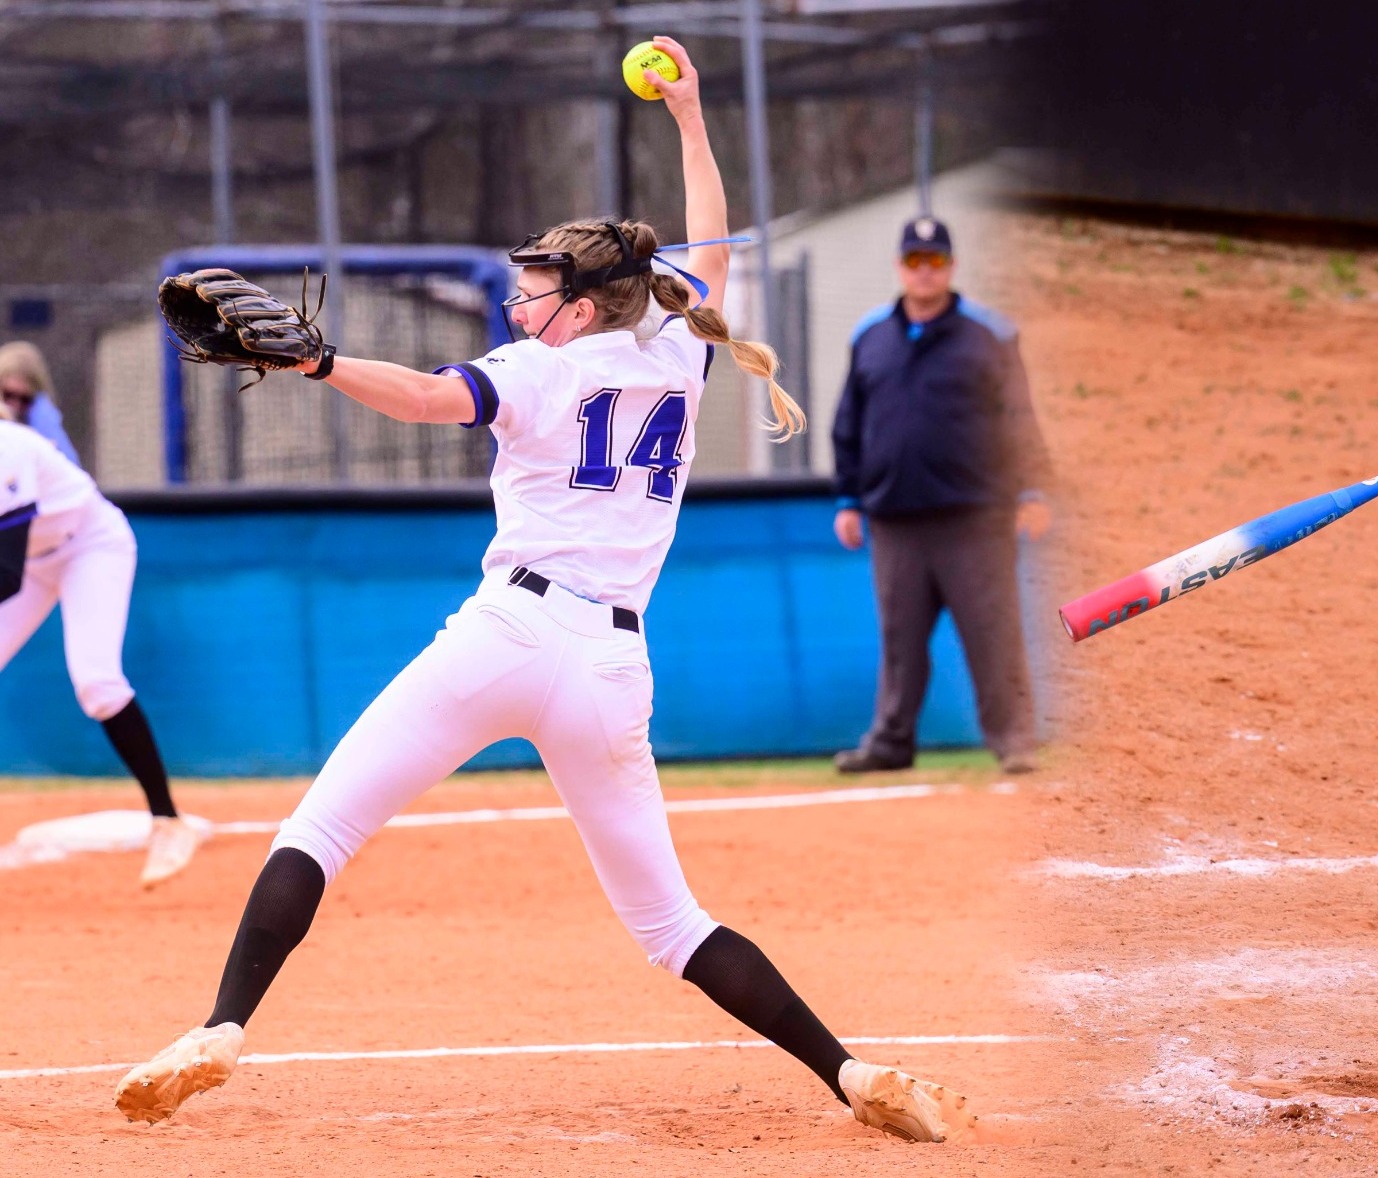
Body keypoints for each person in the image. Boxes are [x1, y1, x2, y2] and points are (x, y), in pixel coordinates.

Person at [113, 38, 977, 1145]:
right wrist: (693, 118)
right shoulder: (675, 351)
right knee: (671, 924)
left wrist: (315, 364)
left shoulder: (540, 368)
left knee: (322, 825)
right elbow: (706, 232)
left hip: (508, 631)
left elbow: (429, 401)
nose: (519, 307)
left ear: (581, 306)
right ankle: (850, 1069)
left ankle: (220, 1027)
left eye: (533, 292)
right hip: (613, 667)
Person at [830, 215, 1052, 775]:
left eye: (933, 261)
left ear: (950, 267)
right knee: (901, 640)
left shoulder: (990, 334)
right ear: (900, 267)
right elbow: (848, 423)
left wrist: (1032, 490)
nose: (923, 272)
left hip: (975, 516)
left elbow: (1019, 418)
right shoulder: (870, 335)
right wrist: (848, 499)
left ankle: (1015, 741)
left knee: (992, 632)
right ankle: (890, 743)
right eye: (913, 261)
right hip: (895, 517)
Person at [0, 397, 198, 885]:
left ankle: (169, 822)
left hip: (90, 545)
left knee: (97, 682)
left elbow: (4, 574)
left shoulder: (10, 448)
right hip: (29, 561)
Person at [0, 341, 83, 465]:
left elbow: (70, 466)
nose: (16, 405)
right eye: (9, 395)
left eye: (25, 399)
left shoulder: (40, 417)